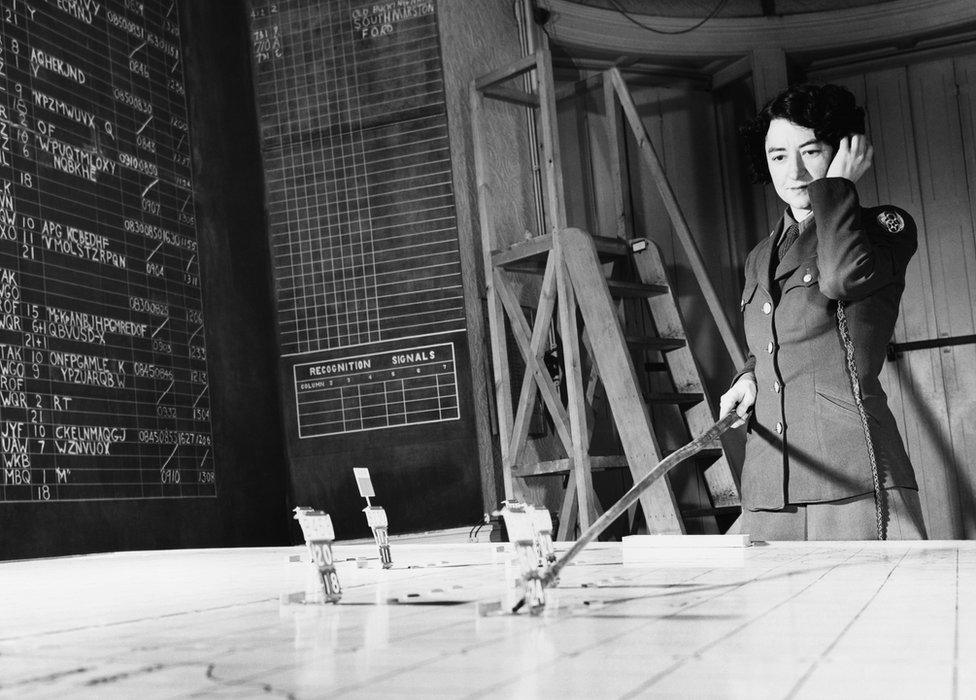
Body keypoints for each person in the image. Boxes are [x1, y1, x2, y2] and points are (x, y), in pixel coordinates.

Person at [719, 83, 927, 541]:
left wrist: (838, 189)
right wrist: (746, 377)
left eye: (810, 151)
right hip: (770, 482)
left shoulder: (883, 228)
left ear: (844, 151)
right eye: (777, 156)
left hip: (852, 477)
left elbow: (841, 279)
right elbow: (772, 341)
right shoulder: (759, 256)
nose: (792, 171)